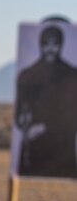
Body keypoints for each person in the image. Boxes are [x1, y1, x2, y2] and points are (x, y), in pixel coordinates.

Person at [15, 24, 77, 178]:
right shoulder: (28, 75)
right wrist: (23, 121)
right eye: (46, 44)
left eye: (54, 44)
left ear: (60, 45)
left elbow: (71, 115)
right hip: (34, 150)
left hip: (62, 149)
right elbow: (19, 111)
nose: (50, 49)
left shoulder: (71, 76)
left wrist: (44, 127)